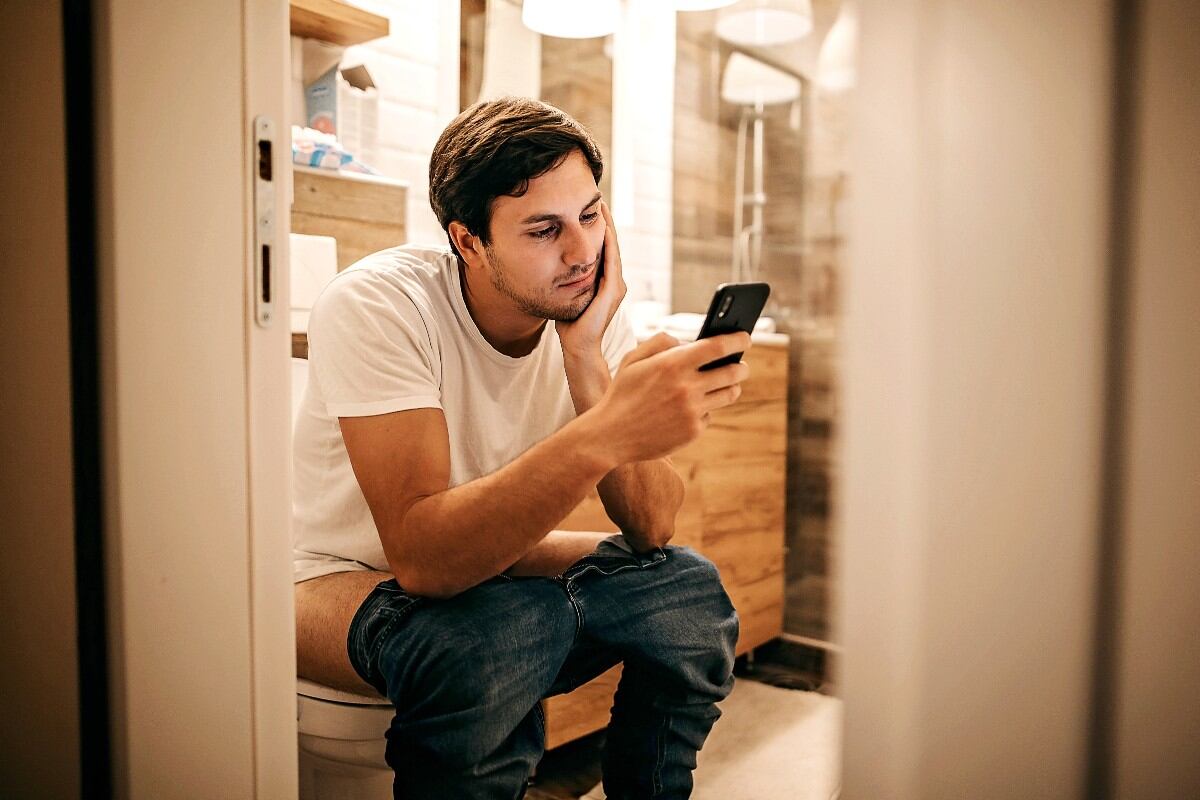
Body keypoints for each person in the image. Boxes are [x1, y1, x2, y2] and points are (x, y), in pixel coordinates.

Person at [292, 96, 750, 799]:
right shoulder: (381, 304)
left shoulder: (580, 307)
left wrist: (588, 362)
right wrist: (606, 429)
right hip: (329, 578)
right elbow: (422, 558)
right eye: (544, 230)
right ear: (468, 241)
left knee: (685, 590)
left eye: (591, 216)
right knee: (501, 631)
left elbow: (653, 526)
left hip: (486, 570)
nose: (581, 252)